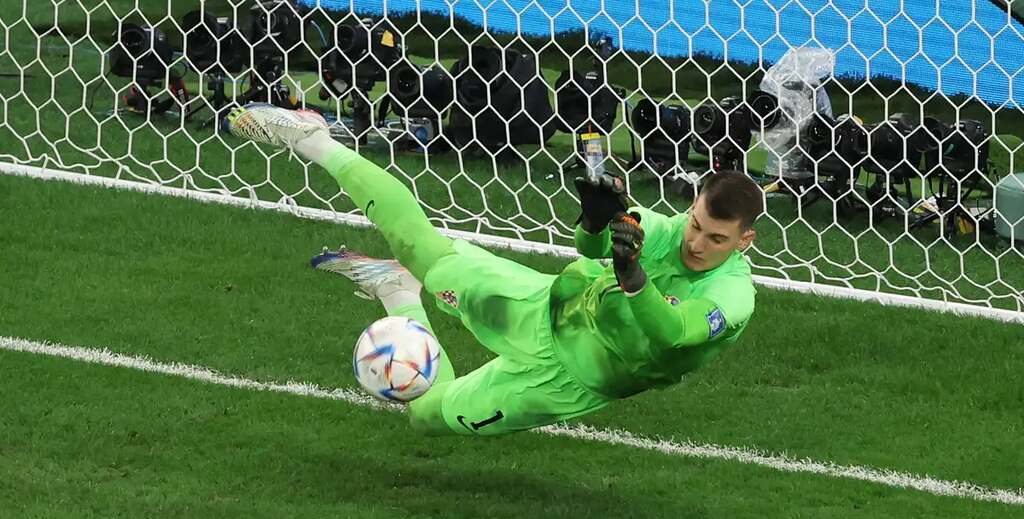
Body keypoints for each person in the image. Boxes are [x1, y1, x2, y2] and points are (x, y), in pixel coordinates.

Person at [226, 103, 762, 436]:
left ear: (744, 241)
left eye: (716, 239)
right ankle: (314, 139)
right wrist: (596, 223)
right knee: (422, 247)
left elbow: (672, 333)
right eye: (695, 225)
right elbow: (590, 245)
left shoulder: (733, 295)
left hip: (566, 383)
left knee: (425, 416)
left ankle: (400, 296)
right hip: (545, 305)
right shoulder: (667, 232)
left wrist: (632, 276)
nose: (696, 242)